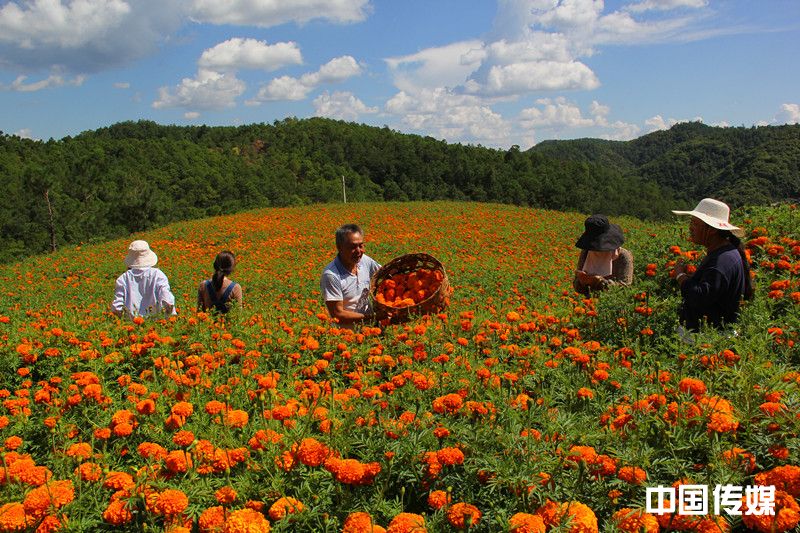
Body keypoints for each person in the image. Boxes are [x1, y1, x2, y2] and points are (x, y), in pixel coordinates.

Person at [672, 198, 753, 332]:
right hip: (709, 335)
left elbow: (698, 296)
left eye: (695, 224)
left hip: (707, 340)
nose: (690, 228)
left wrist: (680, 275)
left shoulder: (721, 260)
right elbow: (714, 289)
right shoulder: (725, 252)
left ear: (712, 230)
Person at [320, 224, 381, 326]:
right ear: (339, 247)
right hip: (347, 334)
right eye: (352, 247)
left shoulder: (365, 260)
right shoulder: (331, 275)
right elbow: (338, 314)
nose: (358, 251)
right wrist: (373, 317)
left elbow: (385, 274)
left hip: (371, 326)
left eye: (361, 245)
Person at [111, 240, 176, 319]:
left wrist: (123, 320)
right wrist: (169, 318)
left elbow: (116, 307)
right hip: (156, 324)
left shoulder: (123, 279)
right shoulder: (158, 275)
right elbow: (167, 300)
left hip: (131, 324)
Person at [573, 214, 634, 296]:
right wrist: (581, 281)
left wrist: (599, 282)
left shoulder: (623, 256)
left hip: (612, 304)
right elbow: (577, 287)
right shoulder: (587, 252)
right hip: (589, 302)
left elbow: (625, 288)